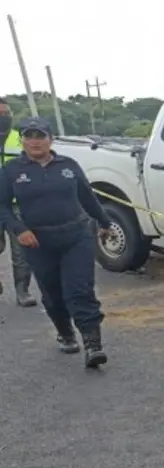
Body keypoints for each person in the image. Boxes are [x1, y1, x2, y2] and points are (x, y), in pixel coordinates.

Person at [0, 117, 114, 367]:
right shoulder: (11, 171)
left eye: (40, 136)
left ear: (50, 139)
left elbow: (88, 197)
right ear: (22, 140)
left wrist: (105, 222)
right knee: (53, 295)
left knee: (80, 290)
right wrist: (19, 229)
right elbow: (3, 207)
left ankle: (92, 345)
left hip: (76, 236)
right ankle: (65, 333)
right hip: (37, 243)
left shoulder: (69, 166)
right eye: (29, 136)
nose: (35, 141)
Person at [0, 97, 37, 306]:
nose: (3, 118)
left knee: (22, 251)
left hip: (18, 204)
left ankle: (22, 290)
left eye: (6, 114)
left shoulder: (19, 138)